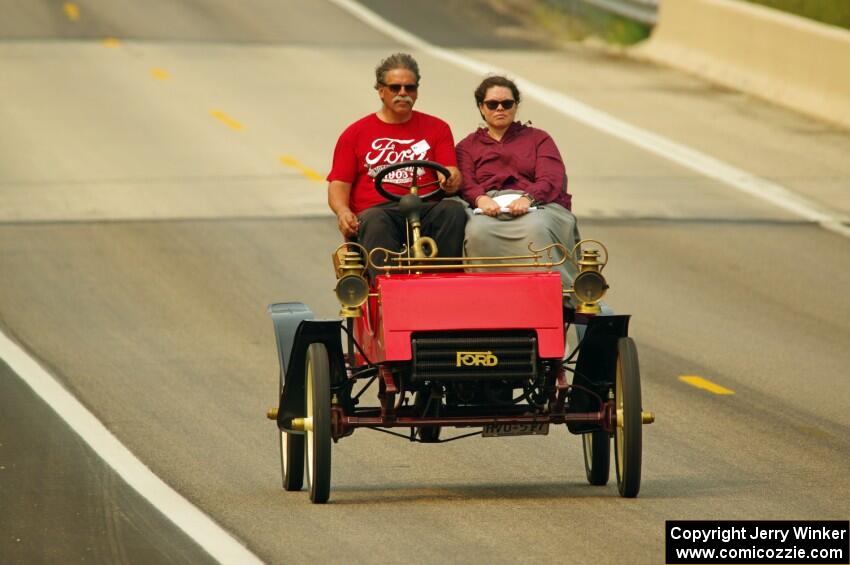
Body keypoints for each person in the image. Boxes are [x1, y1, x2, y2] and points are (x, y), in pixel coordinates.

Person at [327, 53, 467, 275]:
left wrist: (451, 178)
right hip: (378, 212)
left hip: (424, 207)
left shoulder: (438, 128)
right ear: (381, 91)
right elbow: (338, 184)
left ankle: (444, 282)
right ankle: (389, 291)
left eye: (409, 88)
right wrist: (343, 211)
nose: (403, 93)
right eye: (395, 88)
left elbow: (449, 170)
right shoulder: (355, 134)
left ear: (417, 91)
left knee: (453, 211)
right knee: (375, 221)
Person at [456, 75, 580, 287]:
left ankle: (555, 293)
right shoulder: (467, 146)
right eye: (492, 104)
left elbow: (551, 177)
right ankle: (485, 292)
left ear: (516, 106)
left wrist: (529, 198)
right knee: (477, 231)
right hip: (488, 207)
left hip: (537, 204)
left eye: (507, 103)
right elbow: (465, 180)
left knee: (537, 228)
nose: (500, 109)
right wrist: (479, 199)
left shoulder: (539, 139)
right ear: (481, 107)